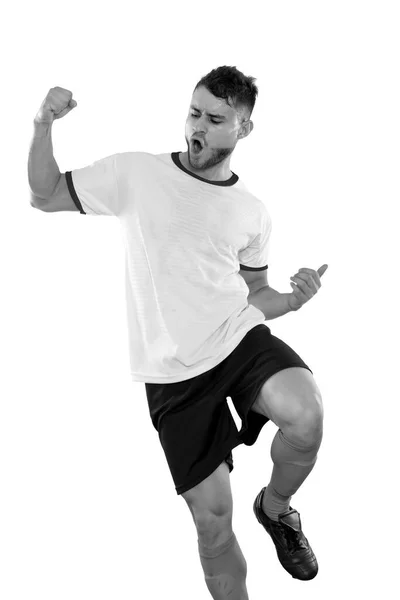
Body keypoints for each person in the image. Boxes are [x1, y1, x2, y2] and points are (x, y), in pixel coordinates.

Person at [29, 65, 328, 599]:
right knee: (213, 526)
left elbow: (256, 294)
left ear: (243, 130)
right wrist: (43, 123)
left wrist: (291, 300)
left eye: (216, 119)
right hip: (172, 372)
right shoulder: (135, 174)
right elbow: (45, 194)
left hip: (236, 339)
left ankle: (277, 509)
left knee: (306, 415)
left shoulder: (251, 211)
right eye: (194, 113)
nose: (199, 128)